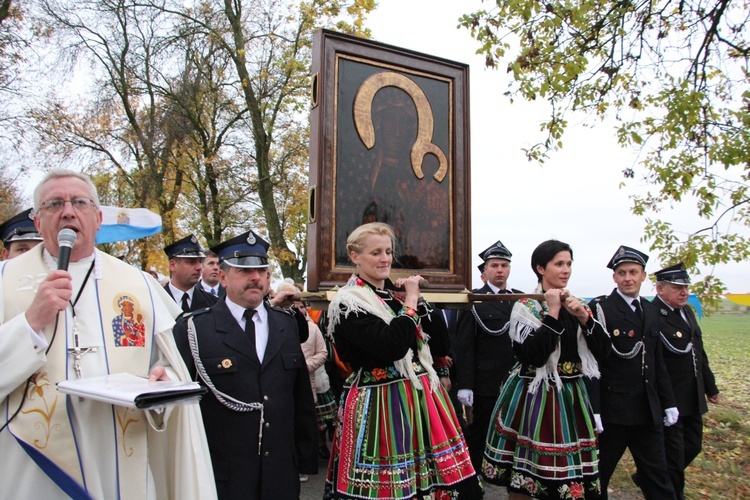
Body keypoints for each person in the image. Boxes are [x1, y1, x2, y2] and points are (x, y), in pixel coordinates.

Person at [0, 169, 215, 499]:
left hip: (118, 455)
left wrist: (164, 377)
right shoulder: (5, 280)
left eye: (80, 202)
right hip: (33, 465)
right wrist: (30, 322)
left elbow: (169, 366)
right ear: (38, 221)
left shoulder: (137, 284)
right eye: (54, 203)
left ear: (98, 218)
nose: (68, 211)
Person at [325, 222, 481, 499]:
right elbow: (392, 347)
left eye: (388, 251)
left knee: (440, 480)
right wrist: (410, 301)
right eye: (375, 253)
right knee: (391, 486)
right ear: (354, 256)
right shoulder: (349, 302)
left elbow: (441, 345)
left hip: (421, 398)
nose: (385, 259)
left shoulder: (392, 299)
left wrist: (417, 303)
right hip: (380, 404)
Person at [173, 230, 317, 499]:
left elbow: (300, 398)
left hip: (280, 473)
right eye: (244, 270)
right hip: (225, 475)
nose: (255, 277)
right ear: (224, 277)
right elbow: (182, 408)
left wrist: (303, 457)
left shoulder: (285, 323)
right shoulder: (194, 329)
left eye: (262, 270)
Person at [483, 239, 611, 499]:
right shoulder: (527, 306)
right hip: (533, 396)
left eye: (569, 264)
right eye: (559, 264)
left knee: (568, 477)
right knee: (524, 474)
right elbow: (534, 356)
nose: (566, 270)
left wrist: (585, 319)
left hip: (571, 394)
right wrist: (552, 313)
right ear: (541, 268)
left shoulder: (580, 307)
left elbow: (605, 352)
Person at [587, 246, 677, 499]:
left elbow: (657, 361)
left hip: (648, 411)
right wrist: (594, 409)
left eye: (633, 272)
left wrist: (668, 402)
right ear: (614, 277)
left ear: (643, 276)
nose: (628, 278)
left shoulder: (650, 310)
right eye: (622, 272)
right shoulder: (601, 308)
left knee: (658, 476)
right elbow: (593, 363)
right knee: (598, 477)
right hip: (613, 413)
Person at [652, 263, 720, 499]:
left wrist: (711, 387)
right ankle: (673, 493)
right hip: (669, 397)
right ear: (660, 289)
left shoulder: (687, 312)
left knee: (693, 446)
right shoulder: (652, 314)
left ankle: (649, 477)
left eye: (686, 287)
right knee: (674, 454)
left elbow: (699, 352)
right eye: (677, 287)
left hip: (692, 395)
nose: (684, 292)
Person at [455, 240, 523, 470]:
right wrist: (465, 384)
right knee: (481, 432)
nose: (500, 270)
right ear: (485, 270)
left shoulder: (520, 300)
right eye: (494, 265)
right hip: (486, 383)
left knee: (516, 431)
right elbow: (464, 346)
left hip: (516, 381)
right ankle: (473, 475)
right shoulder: (474, 300)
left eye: (504, 265)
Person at [163, 234, 218, 313]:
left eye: (200, 261)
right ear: (173, 265)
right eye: (191, 262)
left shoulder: (214, 303)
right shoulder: (156, 301)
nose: (199, 267)